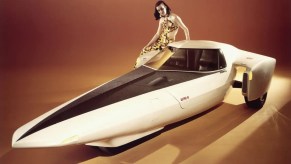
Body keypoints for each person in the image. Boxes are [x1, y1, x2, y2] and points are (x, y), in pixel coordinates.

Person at [135, 0, 190, 68]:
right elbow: (157, 34)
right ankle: (140, 72)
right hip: (160, 42)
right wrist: (148, 45)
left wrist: (188, 42)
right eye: (159, 10)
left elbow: (185, 29)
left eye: (162, 9)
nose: (161, 11)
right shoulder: (161, 19)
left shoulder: (175, 17)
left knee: (156, 58)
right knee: (144, 52)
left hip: (169, 43)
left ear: (166, 7)